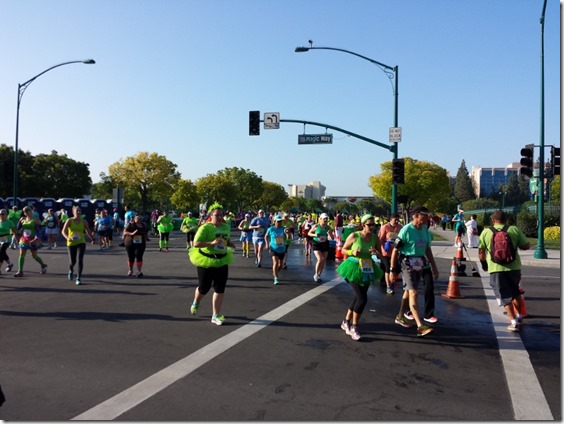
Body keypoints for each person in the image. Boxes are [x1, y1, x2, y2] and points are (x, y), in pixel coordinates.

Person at [389, 205, 438, 337]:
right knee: (414, 292)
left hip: (419, 263)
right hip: (407, 263)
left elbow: (427, 249)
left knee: (408, 291)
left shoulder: (425, 230)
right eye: (424, 215)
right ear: (415, 215)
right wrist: (393, 270)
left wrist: (434, 266)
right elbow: (395, 250)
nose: (427, 218)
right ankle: (420, 325)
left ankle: (400, 316)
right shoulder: (406, 230)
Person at [478, 210, 530, 332]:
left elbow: (481, 252)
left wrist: (484, 265)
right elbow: (526, 245)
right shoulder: (513, 229)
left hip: (496, 268)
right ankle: (519, 316)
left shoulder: (486, 232)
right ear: (506, 220)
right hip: (514, 267)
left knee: (504, 295)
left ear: (493, 220)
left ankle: (513, 321)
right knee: (516, 292)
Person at [337, 214, 383, 341]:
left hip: (367, 268)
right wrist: (353, 252)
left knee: (358, 297)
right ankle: (354, 327)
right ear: (363, 225)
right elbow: (343, 250)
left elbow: (380, 255)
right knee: (362, 299)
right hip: (353, 268)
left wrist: (376, 253)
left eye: (374, 225)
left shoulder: (375, 238)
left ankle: (345, 321)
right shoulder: (354, 235)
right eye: (369, 225)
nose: (372, 227)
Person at [188, 202, 235, 326]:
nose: (220, 217)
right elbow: (196, 244)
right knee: (204, 288)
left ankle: (216, 315)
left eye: (221, 215)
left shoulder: (226, 227)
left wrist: (230, 244)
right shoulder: (205, 228)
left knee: (220, 288)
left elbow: (226, 240)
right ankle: (196, 302)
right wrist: (211, 243)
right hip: (206, 260)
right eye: (217, 215)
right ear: (211, 216)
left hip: (222, 260)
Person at [61, 205, 96, 285]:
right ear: (73, 212)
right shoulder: (69, 220)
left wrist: (93, 239)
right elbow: (63, 231)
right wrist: (67, 238)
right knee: (73, 261)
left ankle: (78, 277)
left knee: (80, 259)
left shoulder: (84, 221)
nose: (79, 212)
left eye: (80, 211)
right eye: (77, 211)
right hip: (71, 242)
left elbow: (88, 231)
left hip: (81, 241)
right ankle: (71, 270)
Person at [14, 206, 48, 277]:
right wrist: (20, 221)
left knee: (34, 256)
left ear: (30, 211)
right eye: (24, 211)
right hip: (24, 239)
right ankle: (20, 271)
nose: (25, 212)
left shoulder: (35, 220)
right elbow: (18, 228)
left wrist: (37, 238)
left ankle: (43, 265)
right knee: (21, 254)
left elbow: (39, 230)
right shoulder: (23, 219)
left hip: (33, 239)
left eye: (27, 210)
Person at [378, 213, 403, 295]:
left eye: (398, 219)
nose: (396, 221)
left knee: (397, 268)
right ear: (390, 219)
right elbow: (381, 239)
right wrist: (385, 245)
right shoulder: (385, 227)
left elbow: (401, 238)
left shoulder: (400, 227)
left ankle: (391, 281)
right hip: (385, 251)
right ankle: (388, 286)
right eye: (395, 219)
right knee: (388, 268)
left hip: (395, 251)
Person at [308, 212, 334, 283]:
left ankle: (319, 275)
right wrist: (315, 235)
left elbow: (332, 237)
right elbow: (309, 233)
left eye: (326, 219)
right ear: (320, 219)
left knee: (323, 260)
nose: (325, 220)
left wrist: (330, 234)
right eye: (324, 219)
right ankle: (316, 274)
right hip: (316, 243)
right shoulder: (316, 226)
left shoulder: (328, 227)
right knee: (320, 259)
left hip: (325, 244)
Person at [265, 215, 290, 285]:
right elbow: (266, 236)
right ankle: (276, 277)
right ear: (274, 222)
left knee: (280, 265)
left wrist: (288, 233)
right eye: (278, 221)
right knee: (275, 262)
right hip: (273, 248)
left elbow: (288, 237)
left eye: (280, 221)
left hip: (282, 249)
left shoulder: (284, 229)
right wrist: (267, 244)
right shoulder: (271, 229)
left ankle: (275, 272)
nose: (279, 223)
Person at [0, 209, 18, 273]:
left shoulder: (9, 222)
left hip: (7, 239)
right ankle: (9, 264)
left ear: (6, 215)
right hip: (0, 239)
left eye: (3, 214)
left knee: (1, 252)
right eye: (0, 214)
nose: (1, 215)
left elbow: (14, 231)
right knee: (3, 253)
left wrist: (17, 240)